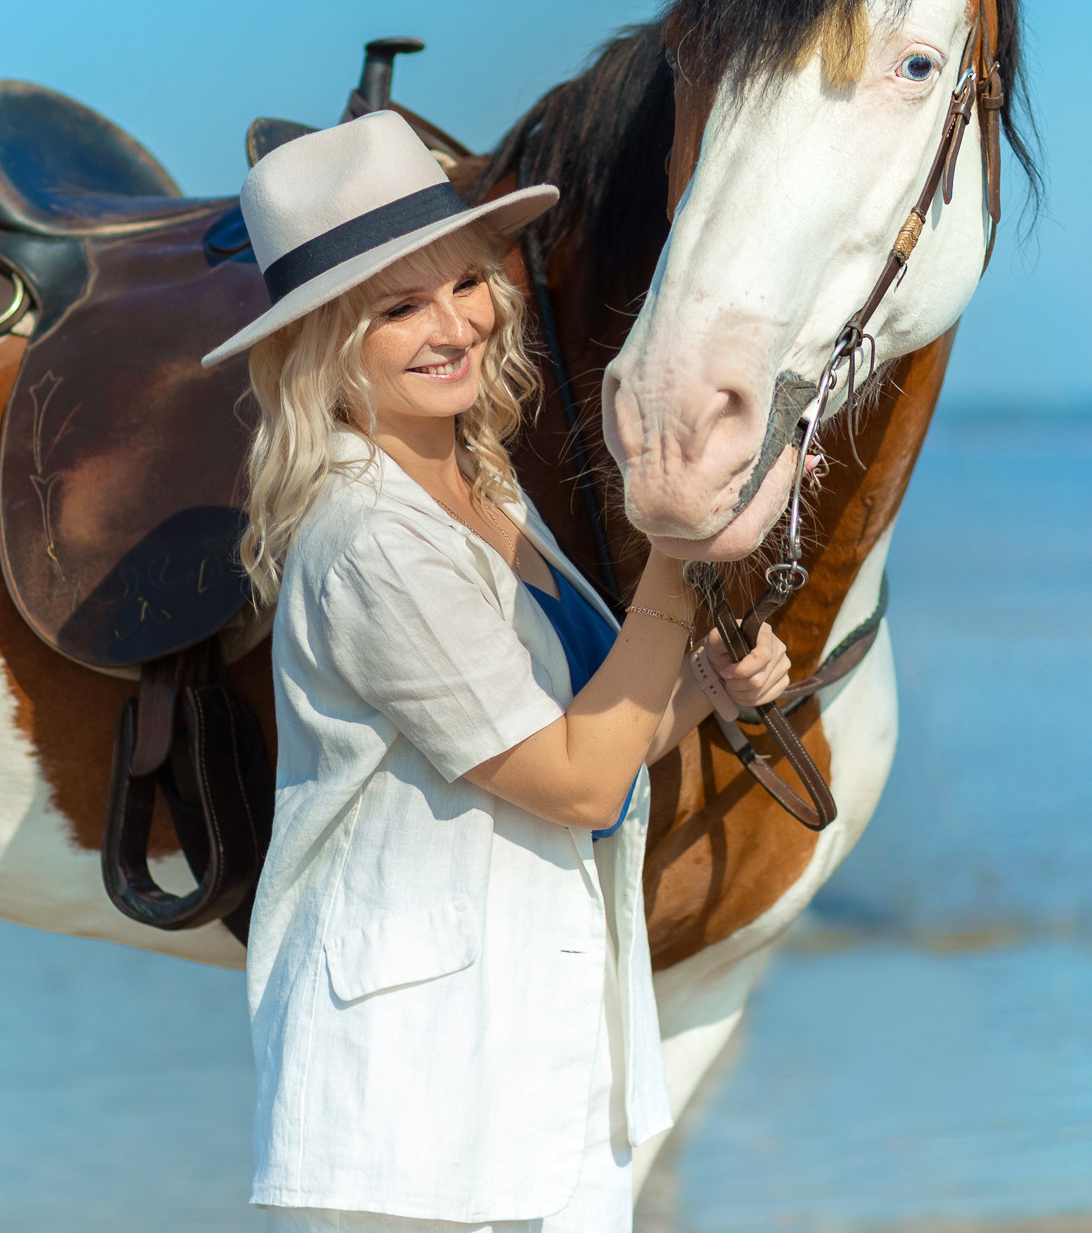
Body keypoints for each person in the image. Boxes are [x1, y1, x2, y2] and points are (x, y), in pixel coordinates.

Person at [201, 110, 793, 1233]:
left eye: (464, 283)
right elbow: (576, 782)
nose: (453, 326)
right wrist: (679, 554)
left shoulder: (487, 489)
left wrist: (704, 688)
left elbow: (575, 740)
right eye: (397, 308)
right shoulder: (372, 540)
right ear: (323, 342)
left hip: (546, 1072)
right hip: (416, 1107)